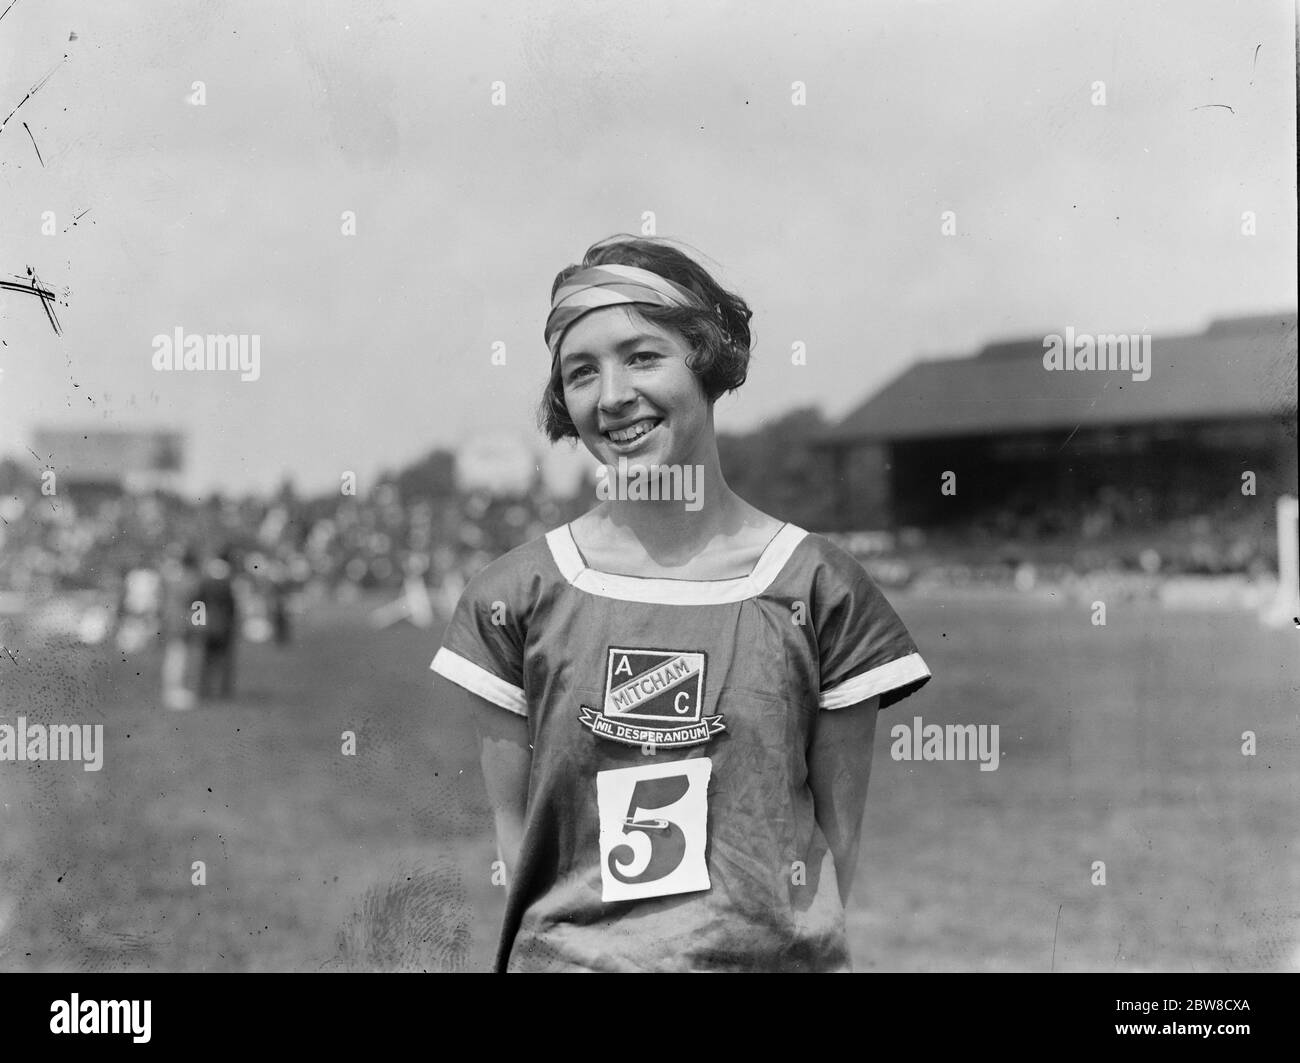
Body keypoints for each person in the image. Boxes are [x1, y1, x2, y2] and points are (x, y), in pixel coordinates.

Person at [430, 236, 933, 972]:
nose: (611, 396)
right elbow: (522, 844)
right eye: (580, 372)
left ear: (707, 358)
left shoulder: (821, 589)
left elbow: (834, 846)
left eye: (642, 356)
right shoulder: (515, 597)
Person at [159, 548, 201, 710]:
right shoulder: (188, 579)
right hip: (179, 623)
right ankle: (173, 692)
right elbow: (193, 597)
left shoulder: (175, 577)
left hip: (173, 621)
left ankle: (173, 690)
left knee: (175, 655)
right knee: (178, 657)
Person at [196, 548, 239, 700]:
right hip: (223, 625)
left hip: (208, 625)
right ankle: (222, 691)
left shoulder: (206, 583)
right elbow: (232, 607)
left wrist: (198, 623)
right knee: (224, 659)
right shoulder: (227, 584)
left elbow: (198, 603)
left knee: (208, 660)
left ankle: (205, 690)